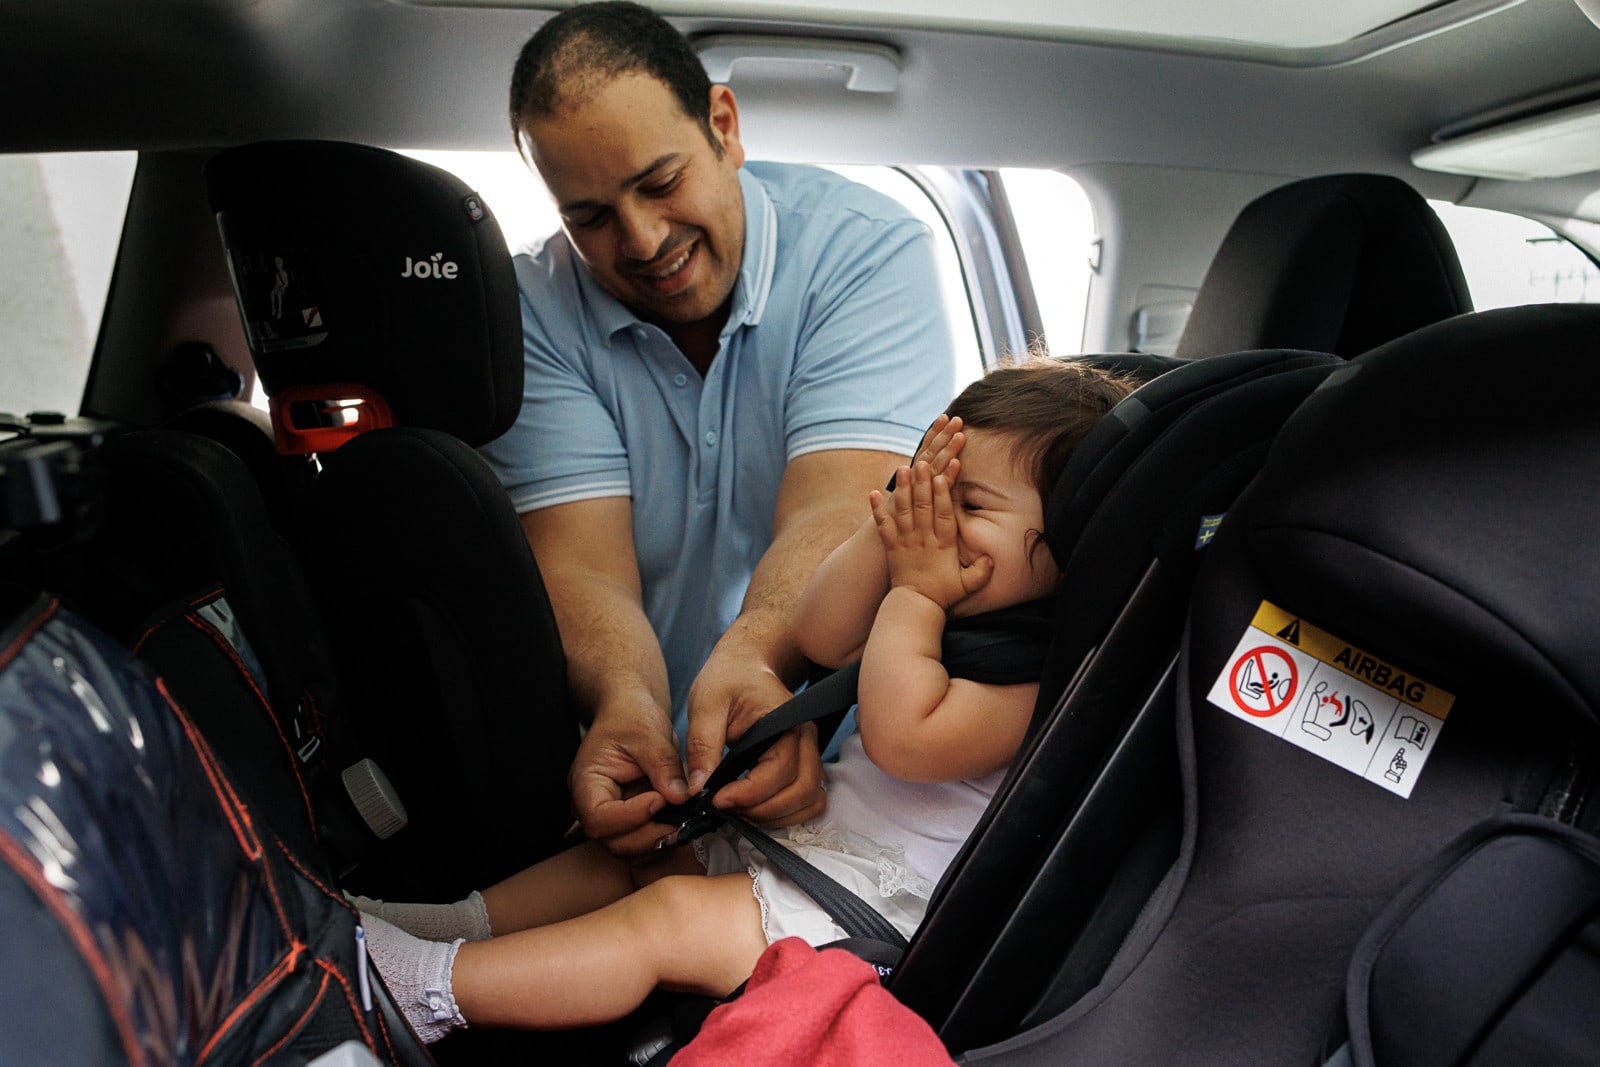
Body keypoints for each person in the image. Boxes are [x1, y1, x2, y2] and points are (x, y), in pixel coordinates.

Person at [358, 357, 1137, 1040]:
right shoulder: (937, 594)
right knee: (632, 858)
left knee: (667, 920)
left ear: (1071, 549)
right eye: (930, 488)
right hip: (809, 849)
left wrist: (918, 593)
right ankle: (454, 923)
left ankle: (431, 989)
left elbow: (905, 733)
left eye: (968, 507)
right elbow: (825, 636)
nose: (935, 520)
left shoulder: (1042, 679)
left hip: (868, 917)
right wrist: (889, 529)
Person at [478, 1, 956, 857]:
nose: (643, 238)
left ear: (724, 127)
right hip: (631, 761)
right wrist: (624, 696)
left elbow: (839, 509)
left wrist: (768, 667)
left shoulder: (868, 253)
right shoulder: (530, 314)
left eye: (660, 183)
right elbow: (579, 562)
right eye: (589, 216)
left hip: (836, 747)